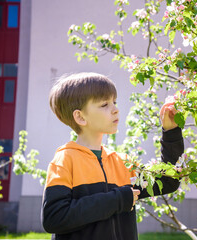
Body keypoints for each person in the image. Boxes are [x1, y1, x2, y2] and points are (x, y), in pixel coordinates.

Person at [41, 72, 184, 240]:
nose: (115, 109)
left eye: (114, 102)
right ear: (80, 117)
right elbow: (54, 218)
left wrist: (171, 131)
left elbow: (168, 181)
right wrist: (118, 199)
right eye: (104, 104)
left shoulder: (121, 162)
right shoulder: (65, 160)